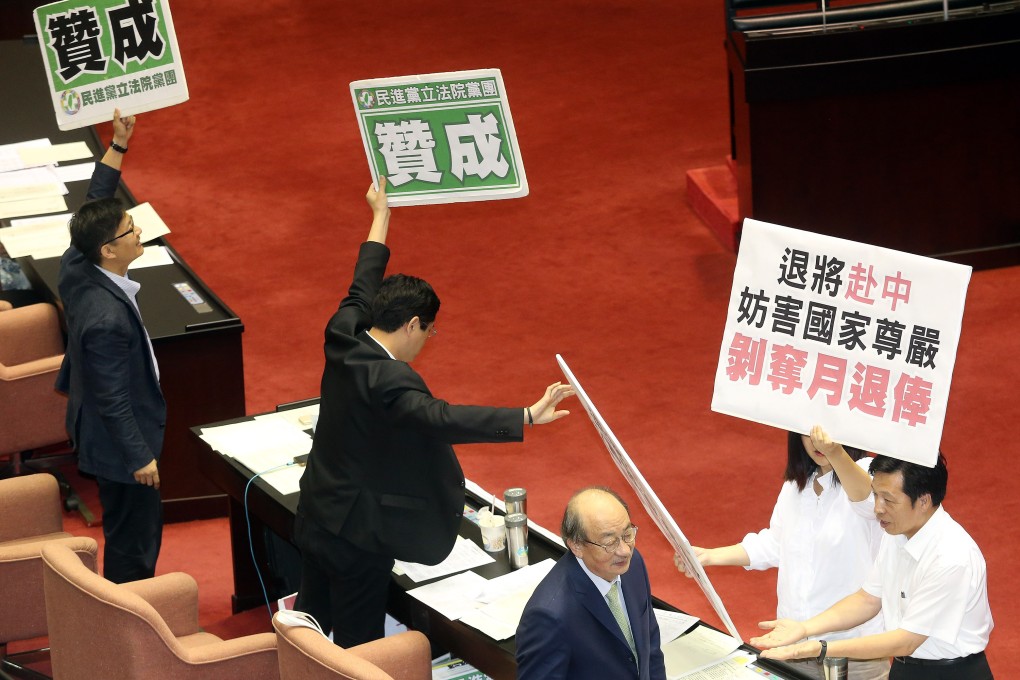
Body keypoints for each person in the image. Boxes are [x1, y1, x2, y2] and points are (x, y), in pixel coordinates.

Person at [294, 176, 575, 647]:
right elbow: (441, 418)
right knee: (358, 646)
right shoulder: (392, 380)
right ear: (411, 324)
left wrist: (380, 216)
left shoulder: (343, 334)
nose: (428, 340)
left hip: (315, 514)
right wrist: (525, 415)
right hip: (357, 539)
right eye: (429, 331)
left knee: (308, 625)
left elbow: (361, 284)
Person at [751, 453, 994, 680]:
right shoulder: (896, 531)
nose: (877, 508)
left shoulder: (952, 557)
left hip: (951, 672)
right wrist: (805, 628)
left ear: (923, 501)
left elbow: (906, 640)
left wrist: (820, 647)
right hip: (904, 667)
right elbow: (868, 599)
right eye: (876, 495)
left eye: (888, 499)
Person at [675, 426, 888, 680]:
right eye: (810, 432)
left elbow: (866, 500)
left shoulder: (867, 472)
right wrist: (709, 556)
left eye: (828, 432)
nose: (819, 441)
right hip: (792, 643)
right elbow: (775, 543)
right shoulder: (796, 485)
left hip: (852, 652)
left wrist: (835, 451)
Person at [56, 109, 166, 583]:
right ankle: (131, 622)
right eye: (129, 230)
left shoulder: (77, 265)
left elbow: (94, 202)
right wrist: (139, 456)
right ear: (108, 251)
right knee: (134, 540)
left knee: (134, 531)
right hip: (118, 446)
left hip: (100, 430)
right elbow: (113, 399)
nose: (139, 229)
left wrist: (117, 145)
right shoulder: (104, 321)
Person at [516, 486, 666, 680]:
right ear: (576, 545)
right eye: (610, 542)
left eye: (628, 534)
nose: (624, 550)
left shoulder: (633, 565)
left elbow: (650, 646)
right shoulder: (549, 615)